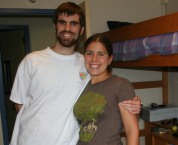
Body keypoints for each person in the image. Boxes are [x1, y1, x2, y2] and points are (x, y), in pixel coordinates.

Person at [9, 2, 141, 145]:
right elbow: (19, 105)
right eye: (62, 22)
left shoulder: (86, 64)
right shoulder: (32, 61)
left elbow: (111, 90)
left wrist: (135, 103)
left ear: (81, 29)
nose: (67, 28)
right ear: (55, 26)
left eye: (73, 23)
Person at [73, 33, 139, 145]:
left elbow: (131, 130)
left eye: (101, 54)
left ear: (110, 59)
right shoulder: (82, 85)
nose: (94, 59)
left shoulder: (120, 85)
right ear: (84, 56)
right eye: (90, 53)